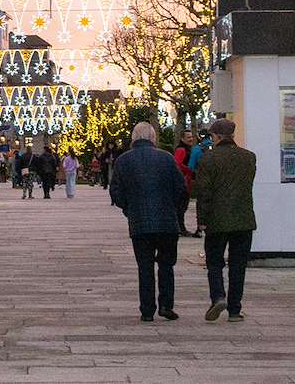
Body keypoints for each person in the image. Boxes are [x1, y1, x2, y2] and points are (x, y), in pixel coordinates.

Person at [110, 122, 188, 322]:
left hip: (139, 222)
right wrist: (176, 210)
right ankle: (166, 305)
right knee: (166, 265)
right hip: (167, 221)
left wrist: (129, 208)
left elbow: (116, 192)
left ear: (133, 138)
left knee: (144, 267)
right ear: (153, 138)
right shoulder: (167, 159)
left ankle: (147, 309)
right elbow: (181, 189)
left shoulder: (123, 161)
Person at [193, 118, 257, 323]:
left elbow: (204, 192)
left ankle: (218, 297)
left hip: (216, 219)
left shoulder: (208, 159)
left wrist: (201, 220)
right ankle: (235, 310)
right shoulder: (249, 158)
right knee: (238, 265)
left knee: (214, 262)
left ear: (217, 136)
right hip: (243, 219)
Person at [173, 130, 197, 237]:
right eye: (188, 137)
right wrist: (189, 170)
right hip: (183, 182)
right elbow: (177, 164)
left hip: (185, 182)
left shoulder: (186, 149)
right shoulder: (182, 150)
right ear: (182, 139)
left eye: (191, 137)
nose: (191, 139)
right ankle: (180, 228)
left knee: (182, 207)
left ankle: (180, 228)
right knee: (181, 207)